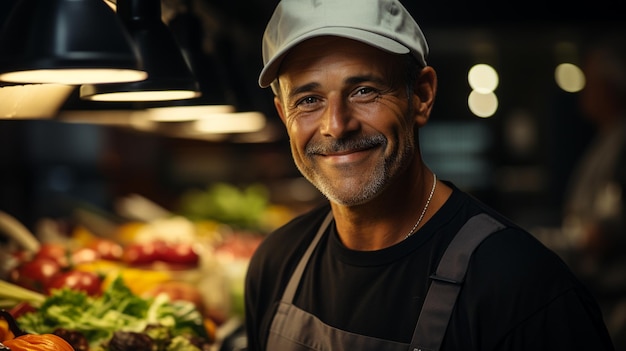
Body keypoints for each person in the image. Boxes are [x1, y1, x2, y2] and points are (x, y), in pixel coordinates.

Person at [244, 0, 615, 350]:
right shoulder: (277, 263)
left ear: (421, 96)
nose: (337, 126)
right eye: (309, 100)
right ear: (283, 115)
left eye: (364, 90)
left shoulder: (524, 287)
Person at [560, 33, 626, 349]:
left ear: (611, 86)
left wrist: (568, 240)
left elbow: (604, 231)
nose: (584, 92)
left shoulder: (622, 144)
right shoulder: (607, 139)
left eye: (591, 82)